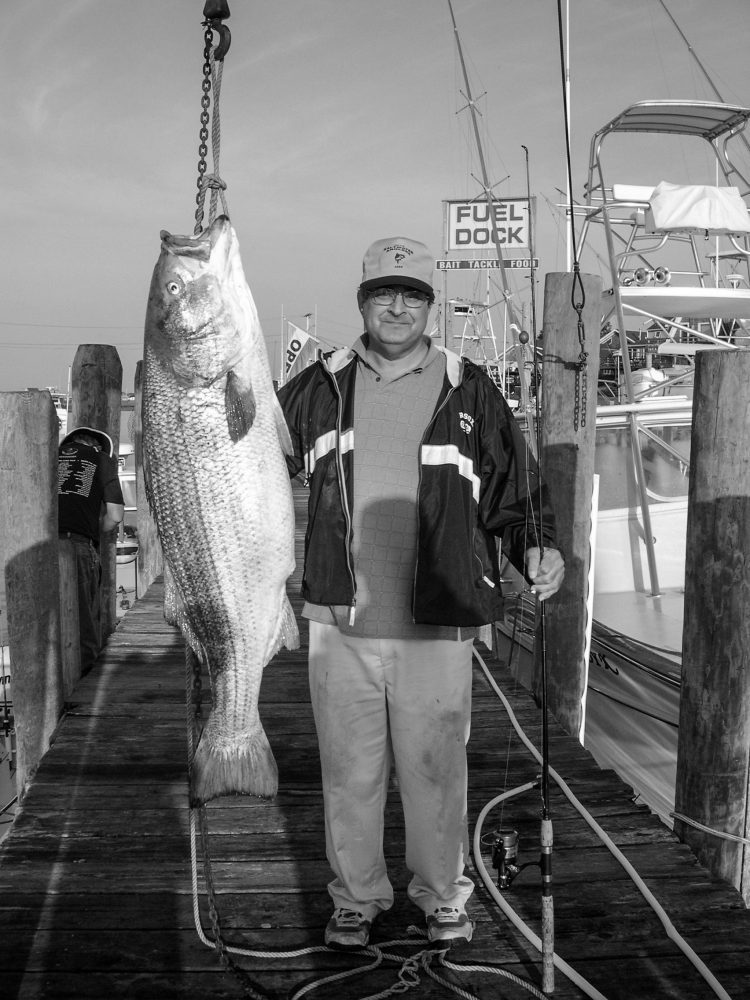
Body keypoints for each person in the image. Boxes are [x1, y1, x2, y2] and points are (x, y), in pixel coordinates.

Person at [277, 237, 564, 950]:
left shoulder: (471, 387)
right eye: (383, 294)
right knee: (349, 770)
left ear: (430, 306)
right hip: (339, 617)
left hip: (439, 618)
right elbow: (249, 454)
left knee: (436, 769)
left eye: (411, 295)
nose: (397, 307)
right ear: (363, 303)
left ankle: (441, 895)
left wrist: (537, 546)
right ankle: (357, 897)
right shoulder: (319, 384)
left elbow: (512, 489)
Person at [58, 427, 125, 674]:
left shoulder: (51, 457)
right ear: (97, 445)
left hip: (39, 545)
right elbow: (116, 515)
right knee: (84, 620)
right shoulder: (100, 458)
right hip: (78, 545)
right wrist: (94, 529)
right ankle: (86, 685)